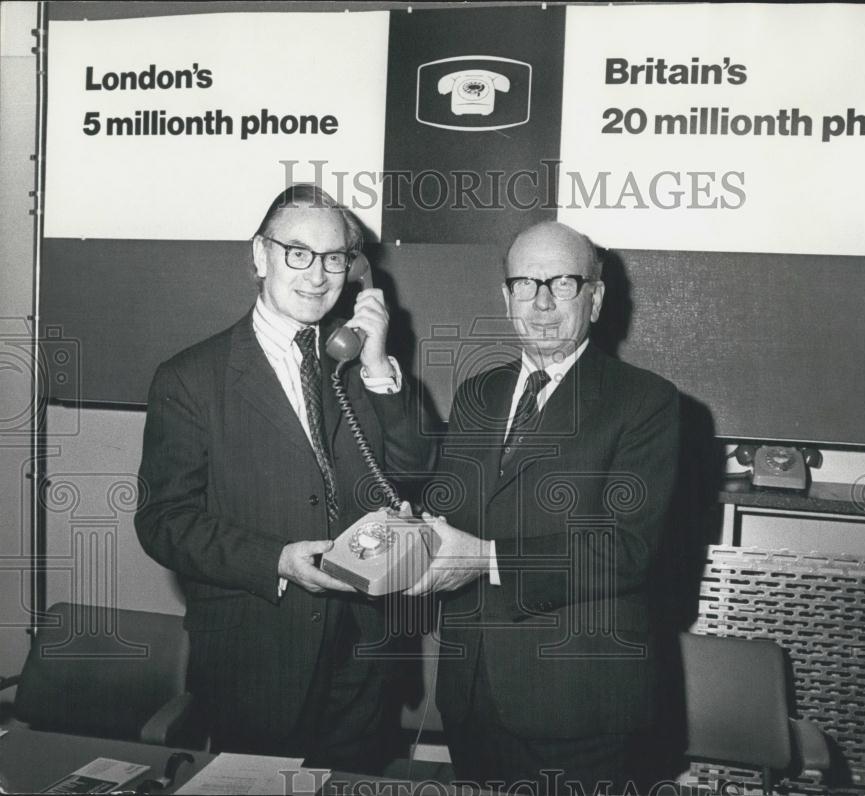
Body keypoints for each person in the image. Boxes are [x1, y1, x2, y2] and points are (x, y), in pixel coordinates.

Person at [135, 184, 433, 770]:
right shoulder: (190, 378)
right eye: (298, 253)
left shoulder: (359, 365)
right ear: (260, 255)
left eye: (334, 258)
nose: (318, 275)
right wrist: (274, 559)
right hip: (255, 659)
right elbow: (162, 521)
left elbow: (417, 473)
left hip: (365, 657)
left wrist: (378, 366)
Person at [407, 221, 682, 794]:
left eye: (562, 283)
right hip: (471, 693)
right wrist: (408, 538)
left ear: (595, 299)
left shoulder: (645, 401)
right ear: (506, 298)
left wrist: (484, 558)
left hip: (578, 705)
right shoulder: (477, 393)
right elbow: (448, 508)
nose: (542, 304)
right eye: (526, 285)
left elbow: (625, 551)